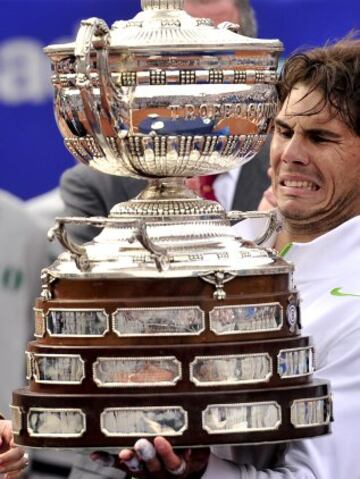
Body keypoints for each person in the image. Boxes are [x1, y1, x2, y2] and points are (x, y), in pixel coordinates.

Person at [109, 37, 360, 478]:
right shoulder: (228, 244)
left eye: (320, 138)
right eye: (284, 131)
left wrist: (199, 473)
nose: (291, 155)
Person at [60, 0, 270, 246]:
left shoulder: (285, 171)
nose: (195, 68)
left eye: (215, 52)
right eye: (178, 52)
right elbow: (85, 279)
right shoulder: (94, 184)